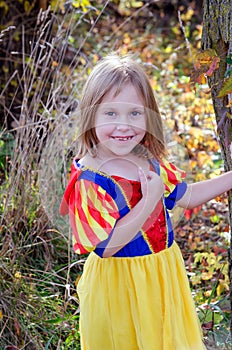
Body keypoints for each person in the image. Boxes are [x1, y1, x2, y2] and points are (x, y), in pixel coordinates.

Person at [59, 53, 232, 350]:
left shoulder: (148, 161)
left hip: (163, 274)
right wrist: (148, 201)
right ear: (91, 115)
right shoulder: (91, 177)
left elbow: (186, 197)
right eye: (110, 113)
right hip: (119, 285)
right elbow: (106, 246)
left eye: (135, 114)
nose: (123, 125)